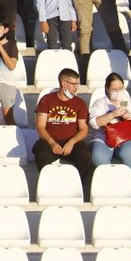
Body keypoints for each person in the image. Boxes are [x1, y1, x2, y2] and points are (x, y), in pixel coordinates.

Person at [33, 66, 93, 195]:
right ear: (63, 83)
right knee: (42, 156)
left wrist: (72, 142)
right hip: (50, 140)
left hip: (72, 140)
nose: (76, 87)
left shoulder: (80, 103)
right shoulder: (47, 100)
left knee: (85, 156)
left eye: (78, 84)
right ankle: (48, 189)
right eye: (73, 84)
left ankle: (76, 188)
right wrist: (52, 142)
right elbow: (40, 127)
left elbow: (83, 129)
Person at [87, 72, 131, 177]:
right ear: (107, 89)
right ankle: (109, 181)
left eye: (120, 88)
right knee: (98, 155)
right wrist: (113, 114)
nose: (118, 91)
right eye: (114, 89)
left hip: (128, 138)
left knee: (129, 152)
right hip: (104, 138)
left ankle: (129, 182)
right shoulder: (100, 103)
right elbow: (94, 123)